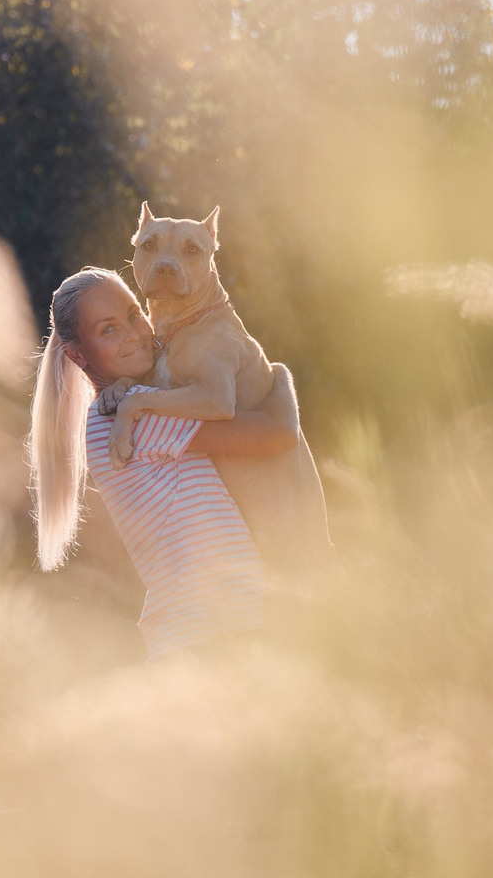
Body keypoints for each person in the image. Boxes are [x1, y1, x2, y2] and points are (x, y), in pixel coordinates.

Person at [29, 266, 297, 658]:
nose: (135, 334)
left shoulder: (136, 403)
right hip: (210, 633)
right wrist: (281, 378)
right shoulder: (129, 416)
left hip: (209, 628)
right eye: (108, 330)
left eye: (134, 315)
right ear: (77, 354)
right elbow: (277, 433)